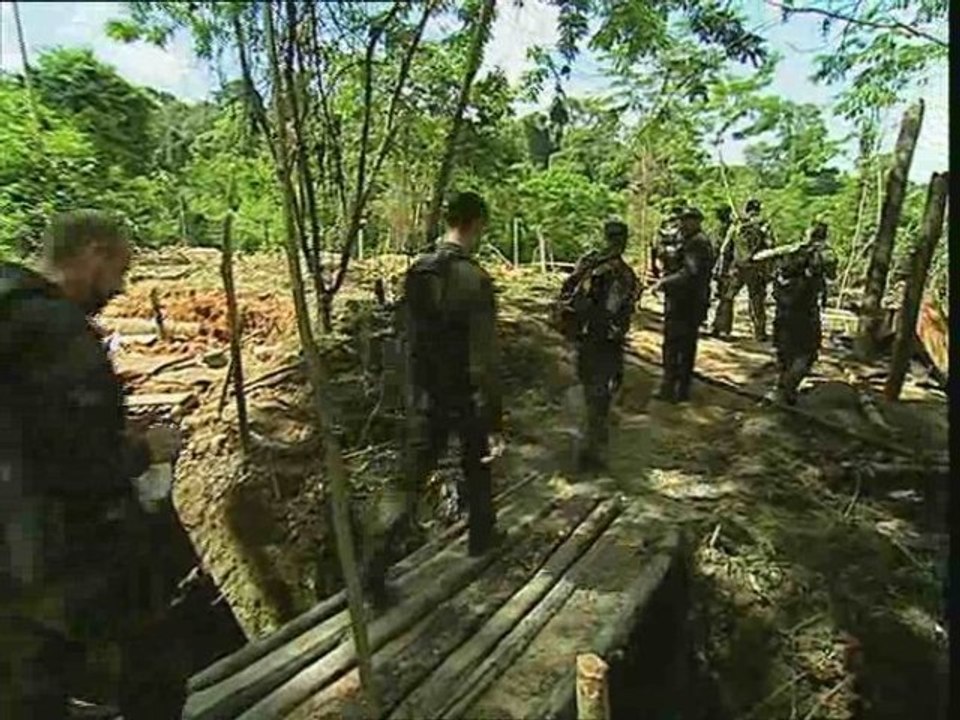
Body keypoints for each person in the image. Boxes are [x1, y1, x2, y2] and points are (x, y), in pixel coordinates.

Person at [0, 210, 183, 718]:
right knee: (156, 673)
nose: (118, 290)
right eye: (118, 272)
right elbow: (79, 464)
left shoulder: (9, 306)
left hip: (13, 556)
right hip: (55, 555)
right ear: (93, 253)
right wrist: (145, 450)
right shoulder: (55, 327)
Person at [363, 191, 504, 608]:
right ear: (477, 222)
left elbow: (403, 337)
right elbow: (484, 356)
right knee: (477, 461)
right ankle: (481, 538)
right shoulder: (474, 278)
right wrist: (494, 413)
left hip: (423, 392)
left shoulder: (418, 270)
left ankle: (374, 567)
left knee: (409, 480)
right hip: (462, 392)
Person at [555, 220, 639, 471]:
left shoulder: (588, 262)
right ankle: (590, 450)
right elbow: (616, 310)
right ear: (623, 241)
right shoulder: (622, 273)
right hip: (604, 340)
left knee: (588, 387)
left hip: (583, 336)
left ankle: (586, 443)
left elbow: (568, 291)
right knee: (600, 393)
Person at [648, 207, 715, 403]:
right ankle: (678, 388)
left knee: (677, 345)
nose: (682, 224)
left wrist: (664, 282)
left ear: (697, 221)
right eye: (682, 220)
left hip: (687, 302)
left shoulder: (698, 243)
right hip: (682, 300)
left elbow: (690, 272)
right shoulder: (687, 241)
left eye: (687, 220)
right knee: (681, 345)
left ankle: (672, 389)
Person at [769, 220, 836, 405]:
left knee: (785, 348)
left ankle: (782, 386)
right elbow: (831, 273)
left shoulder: (792, 251)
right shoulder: (823, 253)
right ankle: (788, 388)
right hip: (805, 310)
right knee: (808, 351)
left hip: (783, 307)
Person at [711, 197, 773, 341]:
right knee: (756, 300)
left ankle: (722, 329)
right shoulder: (763, 226)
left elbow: (725, 249)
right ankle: (759, 332)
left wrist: (721, 270)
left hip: (737, 268)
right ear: (758, 210)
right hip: (756, 269)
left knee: (727, 298)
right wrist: (768, 271)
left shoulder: (737, 226)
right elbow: (770, 247)